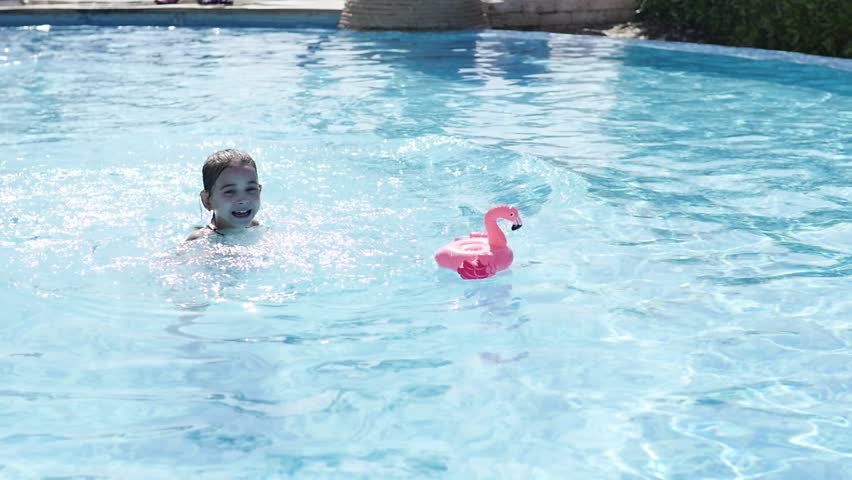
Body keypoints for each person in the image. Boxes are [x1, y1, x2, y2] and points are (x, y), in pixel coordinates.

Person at [187, 149, 262, 241]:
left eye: (250, 189)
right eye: (230, 191)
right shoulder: (200, 240)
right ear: (207, 200)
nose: (243, 200)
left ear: (259, 191)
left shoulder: (255, 227)